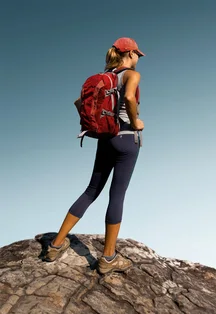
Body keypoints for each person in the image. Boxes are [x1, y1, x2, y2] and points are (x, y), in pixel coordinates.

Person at [44, 37, 145, 275]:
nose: (139, 58)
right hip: (127, 139)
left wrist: (98, 125)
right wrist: (135, 121)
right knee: (117, 195)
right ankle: (108, 258)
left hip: (105, 139)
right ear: (129, 54)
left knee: (91, 190)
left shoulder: (103, 78)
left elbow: (79, 102)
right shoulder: (131, 75)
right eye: (137, 54)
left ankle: (55, 245)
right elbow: (130, 98)